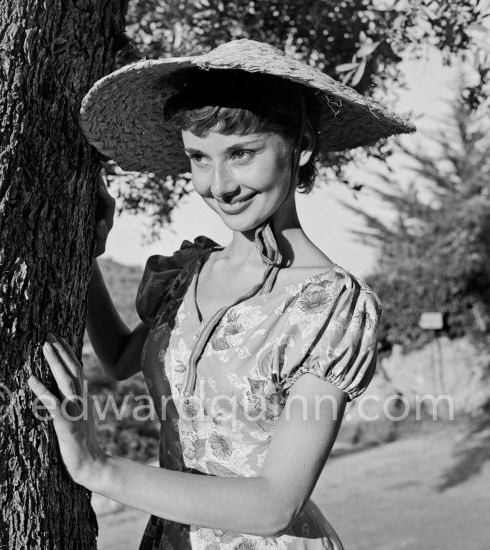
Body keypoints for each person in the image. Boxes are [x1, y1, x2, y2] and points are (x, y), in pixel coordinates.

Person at [28, 39, 415, 549]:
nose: (219, 184)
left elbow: (277, 503)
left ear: (300, 145)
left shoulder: (333, 307)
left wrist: (101, 469)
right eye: (199, 158)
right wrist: (90, 254)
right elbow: (124, 359)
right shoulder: (190, 272)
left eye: (242, 154)